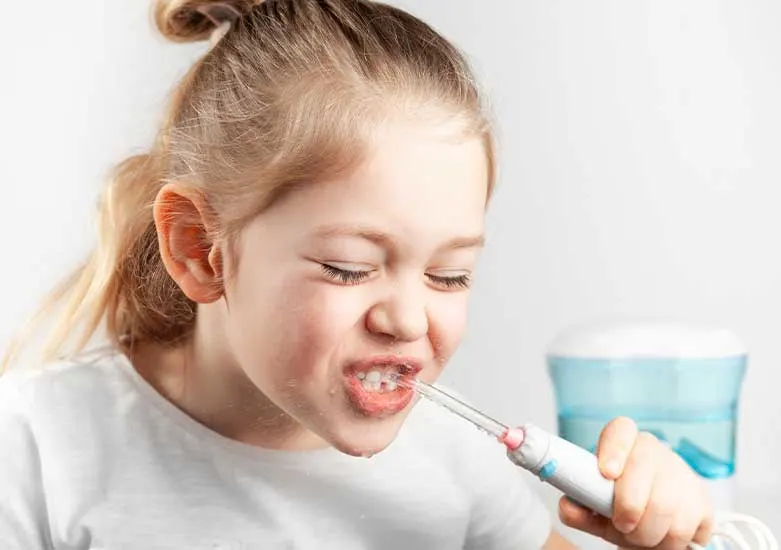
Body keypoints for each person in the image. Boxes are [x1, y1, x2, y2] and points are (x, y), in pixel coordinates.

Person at [0, 1, 714, 548]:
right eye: (348, 268)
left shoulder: (458, 468)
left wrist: (663, 532)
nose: (406, 320)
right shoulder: (34, 451)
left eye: (450, 275)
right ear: (199, 247)